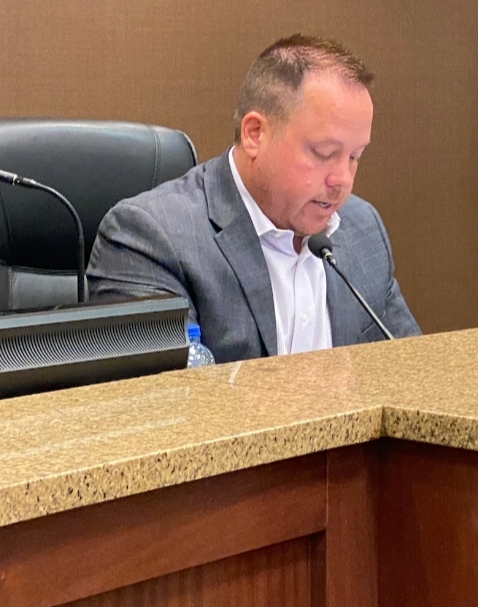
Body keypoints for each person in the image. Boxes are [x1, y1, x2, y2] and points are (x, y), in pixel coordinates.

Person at [88, 34, 420, 362]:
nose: (342, 180)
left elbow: (410, 373)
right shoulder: (150, 238)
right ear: (255, 134)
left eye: (354, 157)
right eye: (324, 153)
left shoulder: (362, 230)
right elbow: (164, 402)